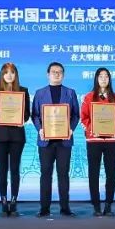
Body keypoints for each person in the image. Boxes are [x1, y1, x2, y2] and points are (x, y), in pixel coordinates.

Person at [30, 61, 80, 217]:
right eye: (53, 72)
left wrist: (71, 128)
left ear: (63, 75)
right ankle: (44, 208)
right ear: (48, 74)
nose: (56, 74)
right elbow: (35, 115)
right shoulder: (40, 93)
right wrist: (40, 129)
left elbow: (76, 115)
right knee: (45, 174)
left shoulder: (70, 93)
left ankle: (65, 208)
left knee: (63, 174)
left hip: (64, 140)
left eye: (59, 72)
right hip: (46, 141)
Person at [80, 67, 115, 216]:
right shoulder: (88, 97)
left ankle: (108, 205)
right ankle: (96, 206)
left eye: (106, 76)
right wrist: (92, 129)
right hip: (94, 140)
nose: (104, 79)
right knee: (93, 172)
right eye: (101, 76)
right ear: (96, 79)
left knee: (111, 173)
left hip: (111, 141)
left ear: (109, 79)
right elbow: (84, 117)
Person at [0, 62, 30, 217]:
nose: (9, 75)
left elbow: (27, 114)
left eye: (12, 72)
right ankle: (4, 201)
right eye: (6, 72)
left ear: (16, 74)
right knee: (2, 169)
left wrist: (21, 118)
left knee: (15, 169)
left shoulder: (23, 91)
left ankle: (14, 201)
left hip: (17, 136)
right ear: (2, 74)